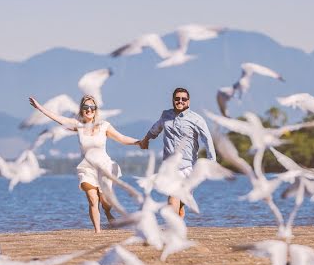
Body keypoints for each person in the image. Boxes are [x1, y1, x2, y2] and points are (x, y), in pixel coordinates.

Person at [29, 94, 140, 233]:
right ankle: (97, 232)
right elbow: (58, 118)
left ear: (95, 109)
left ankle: (107, 212)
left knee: (106, 201)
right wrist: (40, 107)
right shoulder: (78, 126)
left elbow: (122, 138)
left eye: (92, 107)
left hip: (104, 168)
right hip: (87, 168)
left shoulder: (104, 126)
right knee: (93, 200)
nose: (89, 110)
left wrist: (139, 142)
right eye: (85, 107)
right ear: (81, 110)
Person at [138, 87, 216, 218]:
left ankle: (174, 231)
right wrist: (146, 140)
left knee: (180, 203)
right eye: (177, 99)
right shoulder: (165, 115)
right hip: (170, 167)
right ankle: (172, 230)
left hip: (188, 167)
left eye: (184, 99)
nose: (180, 101)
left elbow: (208, 140)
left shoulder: (196, 119)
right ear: (173, 100)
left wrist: (212, 163)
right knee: (174, 197)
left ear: (188, 101)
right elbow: (155, 129)